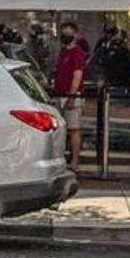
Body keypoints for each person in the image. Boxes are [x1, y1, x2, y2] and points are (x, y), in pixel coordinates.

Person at [51, 21, 90, 167]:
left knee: (74, 128)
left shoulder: (77, 53)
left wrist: (72, 96)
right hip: (59, 93)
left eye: (68, 33)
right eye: (63, 33)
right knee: (61, 129)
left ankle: (74, 160)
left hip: (71, 95)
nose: (65, 36)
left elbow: (77, 75)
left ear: (75, 34)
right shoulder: (62, 52)